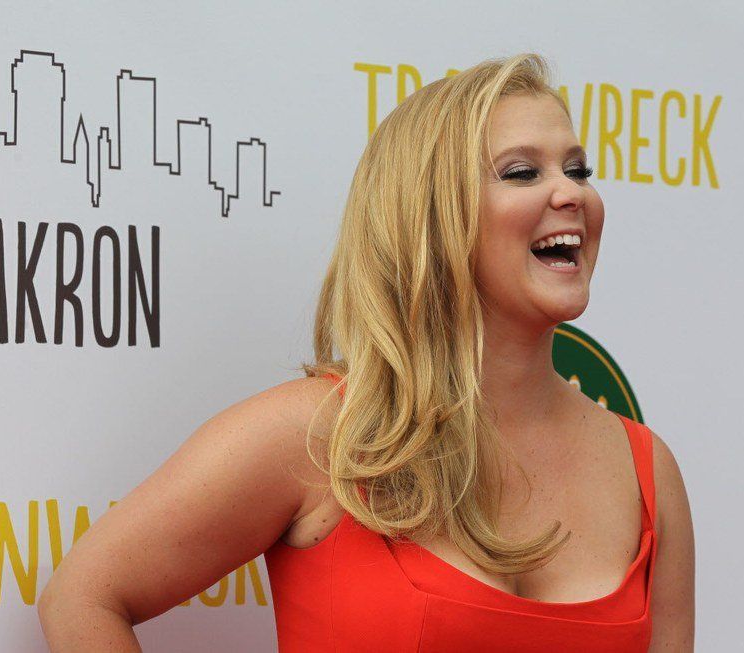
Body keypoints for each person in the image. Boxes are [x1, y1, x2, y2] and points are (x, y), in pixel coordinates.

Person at [37, 52, 694, 652]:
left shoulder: (647, 471)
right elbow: (83, 598)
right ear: (430, 215)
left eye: (577, 169)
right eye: (523, 171)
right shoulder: (321, 434)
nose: (572, 193)